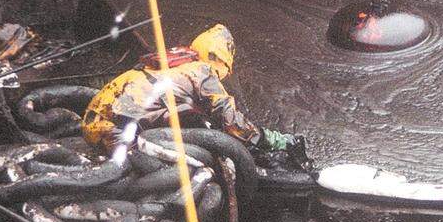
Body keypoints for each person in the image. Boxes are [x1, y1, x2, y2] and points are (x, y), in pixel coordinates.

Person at [82, 24, 297, 155]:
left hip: (95, 119)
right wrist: (270, 139)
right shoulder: (202, 72)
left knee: (190, 113)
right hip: (115, 134)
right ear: (220, 59)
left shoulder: (177, 62)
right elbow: (231, 120)